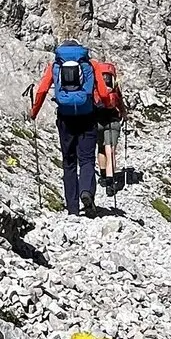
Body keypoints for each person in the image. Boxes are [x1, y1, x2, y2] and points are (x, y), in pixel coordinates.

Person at [29, 39, 112, 216]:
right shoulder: (91, 64)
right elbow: (104, 92)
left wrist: (34, 112)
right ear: (81, 50)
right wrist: (107, 105)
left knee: (69, 162)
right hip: (88, 116)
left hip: (65, 119)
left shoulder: (55, 66)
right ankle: (86, 192)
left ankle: (72, 208)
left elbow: (42, 90)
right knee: (87, 159)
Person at [93, 61, 126, 197]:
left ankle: (102, 175)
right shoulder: (115, 87)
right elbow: (120, 103)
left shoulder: (95, 86)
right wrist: (124, 114)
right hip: (113, 121)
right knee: (110, 149)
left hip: (97, 120)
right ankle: (110, 180)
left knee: (101, 147)